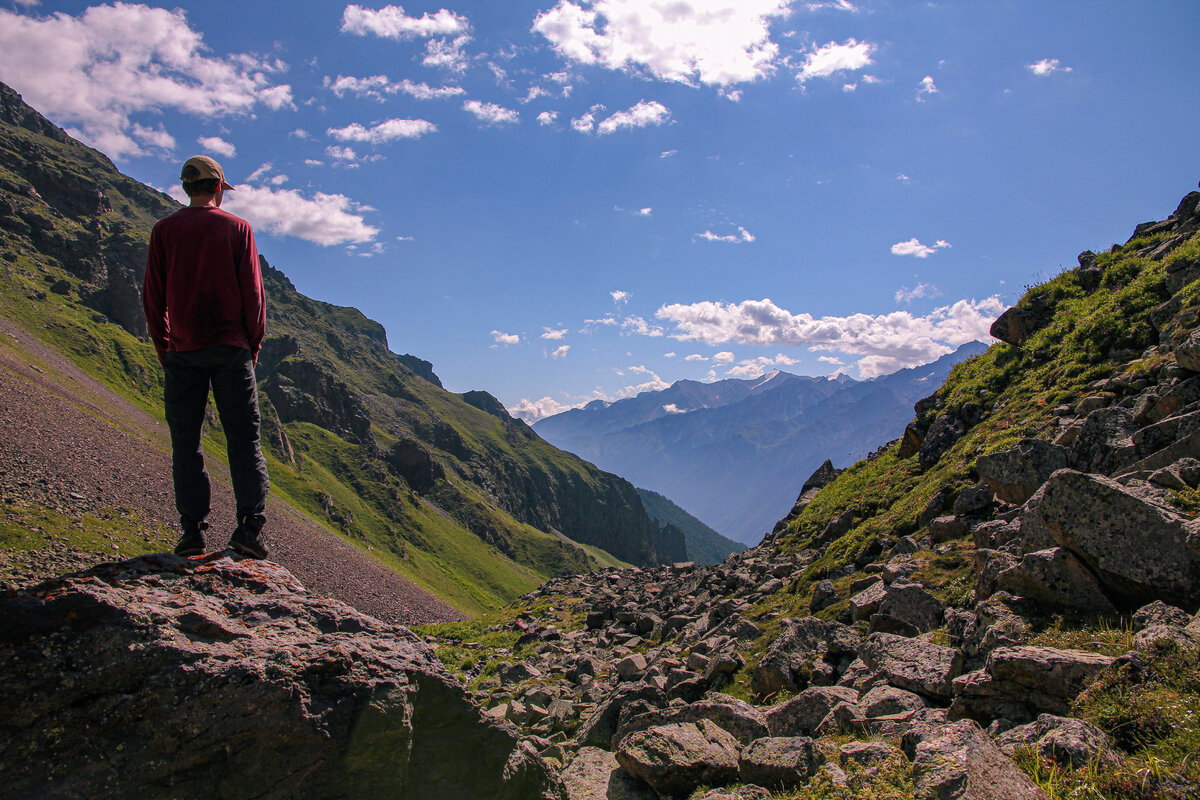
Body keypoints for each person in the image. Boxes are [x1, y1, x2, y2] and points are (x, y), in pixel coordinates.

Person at [142, 155, 270, 558]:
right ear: (218, 187)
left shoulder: (164, 231)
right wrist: (252, 345)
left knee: (186, 442)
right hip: (231, 350)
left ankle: (192, 532)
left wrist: (167, 347)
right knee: (244, 440)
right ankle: (249, 529)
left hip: (182, 351)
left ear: (186, 188)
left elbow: (152, 297)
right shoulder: (237, 228)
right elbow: (253, 294)